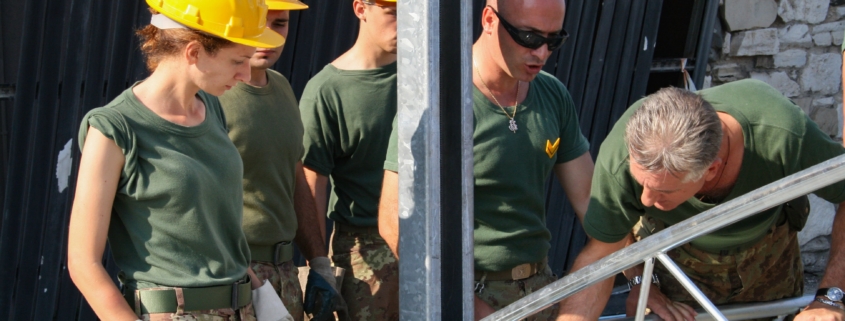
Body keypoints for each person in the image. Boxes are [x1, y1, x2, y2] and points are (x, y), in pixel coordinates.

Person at [66, 0, 284, 320]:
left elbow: (220, 234)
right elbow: (84, 264)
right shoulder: (115, 129)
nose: (245, 73)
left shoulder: (212, 109)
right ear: (194, 53)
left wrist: (265, 307)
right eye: (238, 60)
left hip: (243, 308)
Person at [378, 0, 595, 319]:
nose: (542, 53)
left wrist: (640, 279)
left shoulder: (552, 95)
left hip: (541, 288)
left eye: (554, 40)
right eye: (530, 37)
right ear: (489, 19)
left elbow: (593, 205)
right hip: (468, 293)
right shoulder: (438, 99)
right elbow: (394, 221)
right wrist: (466, 304)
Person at [559, 80, 845, 321]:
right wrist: (641, 283)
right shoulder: (622, 154)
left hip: (767, 257)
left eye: (664, 191)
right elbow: (601, 256)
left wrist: (830, 297)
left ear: (711, 170)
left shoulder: (782, 133)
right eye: (640, 184)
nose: (646, 199)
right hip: (677, 262)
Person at [216, 1, 334, 320]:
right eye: (258, 22)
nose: (268, 34)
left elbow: (294, 177)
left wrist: (319, 261)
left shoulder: (281, 87)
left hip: (285, 273)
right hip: (232, 276)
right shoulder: (211, 97)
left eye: (279, 23)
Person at [298, 0, 399, 320]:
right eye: (394, 12)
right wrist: (319, 265)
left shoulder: (428, 79)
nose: (406, 24)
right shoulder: (327, 91)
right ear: (361, 8)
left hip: (431, 241)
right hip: (364, 253)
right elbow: (311, 184)